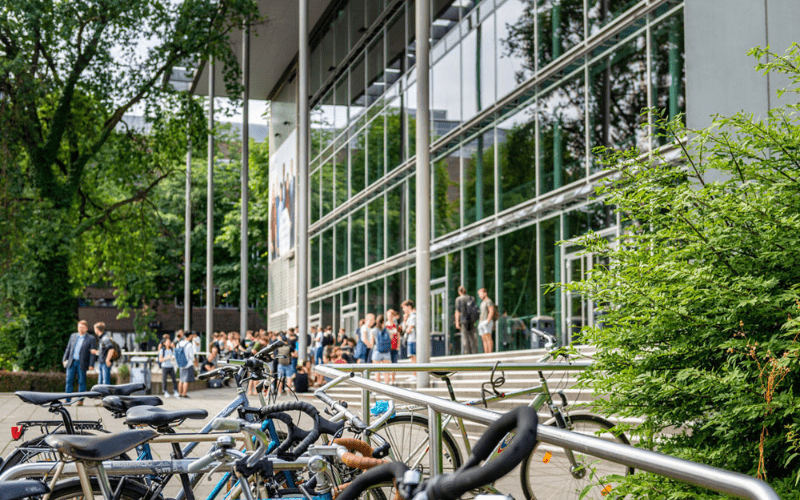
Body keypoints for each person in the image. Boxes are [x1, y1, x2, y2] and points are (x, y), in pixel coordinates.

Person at [62, 320, 98, 404]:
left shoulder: (91, 338)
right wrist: (64, 359)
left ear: (86, 328)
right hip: (72, 362)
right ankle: (67, 399)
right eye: (79, 327)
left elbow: (92, 353)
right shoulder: (73, 336)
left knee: (82, 381)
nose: (80, 329)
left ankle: (80, 400)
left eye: (82, 327)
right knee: (69, 380)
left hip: (82, 363)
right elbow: (68, 348)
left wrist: (91, 364)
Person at [454, 286, 478, 355]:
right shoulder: (471, 298)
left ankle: (467, 352)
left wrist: (457, 322)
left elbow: (457, 312)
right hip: (472, 321)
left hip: (464, 321)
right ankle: (474, 352)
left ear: (459, 292)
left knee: (465, 337)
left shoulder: (458, 299)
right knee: (472, 337)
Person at [175, 330, 197, 398]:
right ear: (190, 336)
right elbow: (191, 355)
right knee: (186, 380)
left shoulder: (178, 343)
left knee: (181, 379)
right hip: (188, 364)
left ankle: (179, 393)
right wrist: (194, 361)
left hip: (180, 363)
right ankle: (184, 394)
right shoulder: (189, 344)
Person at [371, 315, 391, 383]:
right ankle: (387, 387)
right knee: (386, 371)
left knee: (377, 372)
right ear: (383, 322)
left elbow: (372, 343)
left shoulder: (373, 330)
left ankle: (377, 389)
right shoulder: (387, 330)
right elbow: (390, 339)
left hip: (377, 351)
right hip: (386, 352)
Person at [401, 300, 417, 381]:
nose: (404, 310)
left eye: (404, 308)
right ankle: (414, 374)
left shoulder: (413, 316)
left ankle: (415, 375)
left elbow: (408, 330)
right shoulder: (410, 317)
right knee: (413, 357)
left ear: (409, 307)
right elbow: (404, 328)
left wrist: (406, 328)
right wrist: (404, 320)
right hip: (412, 339)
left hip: (413, 340)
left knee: (413, 358)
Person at [478, 288, 496, 354]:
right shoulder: (482, 302)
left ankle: (490, 353)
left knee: (488, 337)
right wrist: (480, 322)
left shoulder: (489, 301)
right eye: (479, 294)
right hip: (482, 322)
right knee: (483, 338)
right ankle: (486, 353)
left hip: (487, 321)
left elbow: (491, 311)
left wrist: (487, 321)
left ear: (485, 293)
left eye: (480, 294)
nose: (479, 295)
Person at [385, 310, 400, 384]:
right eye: (388, 316)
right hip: (388, 347)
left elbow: (398, 336)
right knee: (388, 364)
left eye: (391, 316)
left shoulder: (396, 325)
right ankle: (387, 380)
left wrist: (398, 346)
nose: (390, 317)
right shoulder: (385, 325)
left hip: (394, 347)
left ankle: (393, 379)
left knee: (394, 363)